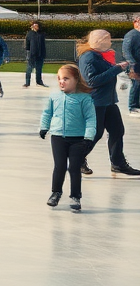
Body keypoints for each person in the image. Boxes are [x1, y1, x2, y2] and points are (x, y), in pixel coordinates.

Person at [77, 30, 140, 177]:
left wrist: (118, 69)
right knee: (96, 133)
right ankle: (77, 159)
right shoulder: (89, 57)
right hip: (95, 101)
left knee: (117, 130)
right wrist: (116, 69)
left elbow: (106, 73)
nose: (111, 42)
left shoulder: (99, 55)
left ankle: (118, 164)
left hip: (108, 101)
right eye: (108, 40)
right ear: (100, 41)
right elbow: (91, 81)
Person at [40, 64, 96, 212]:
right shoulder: (54, 96)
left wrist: (88, 137)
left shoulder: (84, 98)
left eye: (66, 78)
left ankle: (75, 196)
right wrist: (44, 127)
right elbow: (47, 113)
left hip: (78, 139)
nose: (61, 81)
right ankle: (56, 193)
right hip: (58, 137)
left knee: (74, 168)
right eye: (59, 78)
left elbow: (91, 118)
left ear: (76, 80)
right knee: (59, 167)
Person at [25, 21, 48, 90]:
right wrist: (29, 52)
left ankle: (39, 82)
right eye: (34, 25)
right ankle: (27, 82)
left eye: (37, 25)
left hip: (40, 54)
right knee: (29, 69)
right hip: (32, 55)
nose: (36, 27)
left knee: (39, 69)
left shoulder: (42, 34)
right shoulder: (30, 34)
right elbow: (27, 44)